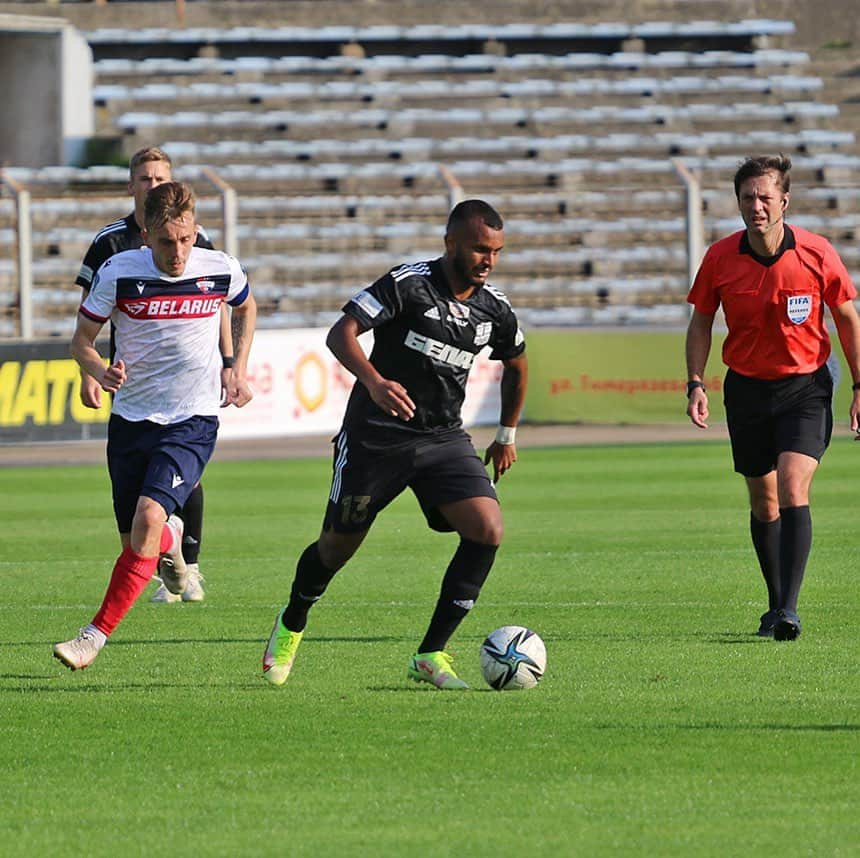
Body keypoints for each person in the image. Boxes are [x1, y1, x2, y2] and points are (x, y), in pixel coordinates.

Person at [262, 199, 528, 689]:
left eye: (496, 251)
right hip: (375, 438)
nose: (488, 260)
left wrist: (505, 434)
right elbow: (341, 333)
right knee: (337, 546)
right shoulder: (409, 284)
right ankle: (293, 620)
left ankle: (430, 653)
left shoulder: (495, 309)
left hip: (442, 437)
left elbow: (516, 362)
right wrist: (375, 381)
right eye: (478, 249)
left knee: (488, 529)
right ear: (450, 243)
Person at [54, 181, 256, 670]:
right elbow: (81, 340)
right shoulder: (118, 273)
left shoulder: (219, 267)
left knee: (147, 519)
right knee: (137, 546)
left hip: (191, 418)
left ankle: (91, 638)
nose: (180, 252)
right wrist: (98, 369)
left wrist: (238, 366)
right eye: (167, 242)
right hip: (129, 422)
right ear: (146, 235)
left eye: (186, 239)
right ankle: (171, 539)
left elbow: (245, 305)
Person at [685, 154, 860, 641]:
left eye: (765, 196)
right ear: (737, 202)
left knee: (791, 486)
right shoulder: (720, 258)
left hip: (805, 386)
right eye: (747, 197)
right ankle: (774, 604)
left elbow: (847, 317)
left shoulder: (816, 252)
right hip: (745, 389)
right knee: (764, 503)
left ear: (784, 200)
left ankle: (788, 609)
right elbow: (700, 321)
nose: (756, 205)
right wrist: (696, 381)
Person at [75, 146, 228, 604]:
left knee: (183, 478)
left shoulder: (196, 239)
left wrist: (229, 361)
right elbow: (88, 317)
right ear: (131, 186)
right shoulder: (109, 244)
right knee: (135, 528)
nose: (154, 185)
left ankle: (191, 568)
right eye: (145, 179)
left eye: (161, 178)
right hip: (133, 386)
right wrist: (93, 370)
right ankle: (170, 548)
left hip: (188, 393)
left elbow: (220, 299)